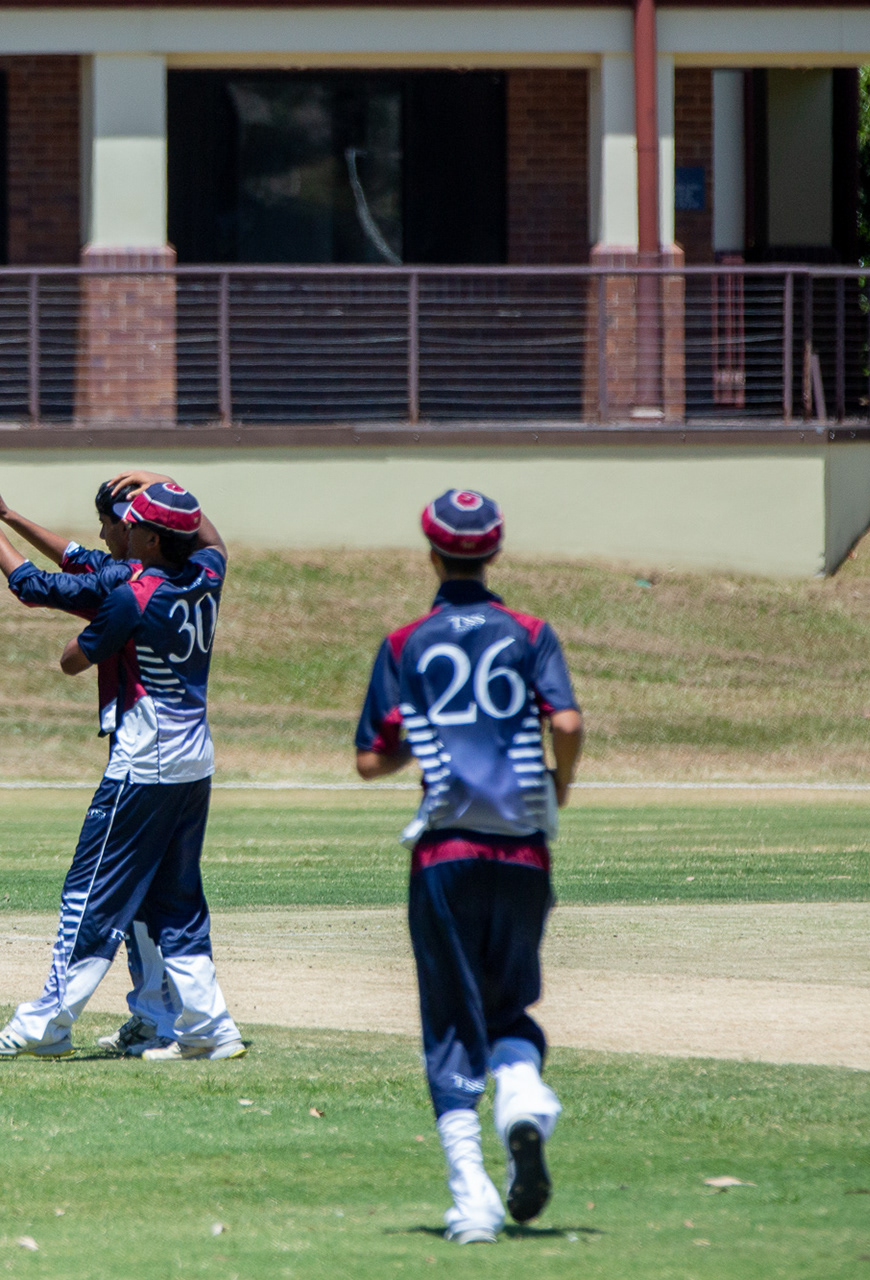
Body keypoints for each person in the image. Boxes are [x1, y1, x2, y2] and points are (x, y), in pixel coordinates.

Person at [353, 489, 581, 1243]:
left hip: (446, 850)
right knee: (508, 1007)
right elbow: (567, 720)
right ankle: (520, 1096)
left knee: (451, 1019)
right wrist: (560, 785)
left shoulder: (405, 643)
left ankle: (473, 1197)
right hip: (524, 849)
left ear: (433, 552)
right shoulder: (531, 633)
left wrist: (426, 742)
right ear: (495, 552)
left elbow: (370, 759)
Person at [0, 475, 246, 1062]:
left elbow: (72, 659)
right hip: (194, 761)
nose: (120, 530)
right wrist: (163, 484)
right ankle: (208, 1027)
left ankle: (47, 1023)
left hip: (144, 762)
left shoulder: (133, 595)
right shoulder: (207, 574)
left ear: (149, 539)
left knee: (89, 894)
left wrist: (92, 637)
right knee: (176, 902)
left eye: (132, 524)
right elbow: (214, 542)